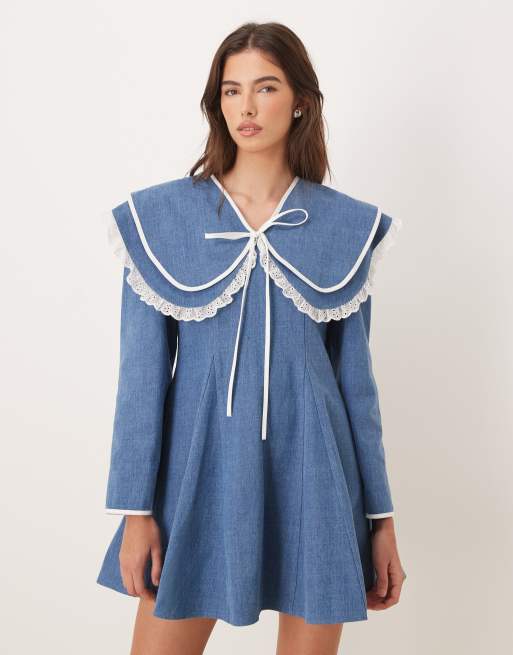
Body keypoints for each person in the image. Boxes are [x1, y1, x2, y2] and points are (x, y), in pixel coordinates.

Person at [97, 20, 407, 655]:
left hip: (317, 478)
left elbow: (358, 388)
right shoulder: (160, 220)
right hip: (197, 473)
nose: (246, 107)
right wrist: (135, 512)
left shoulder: (345, 227)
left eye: (265, 88)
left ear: (299, 102)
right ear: (217, 103)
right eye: (231, 90)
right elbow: (141, 382)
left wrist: (381, 520)